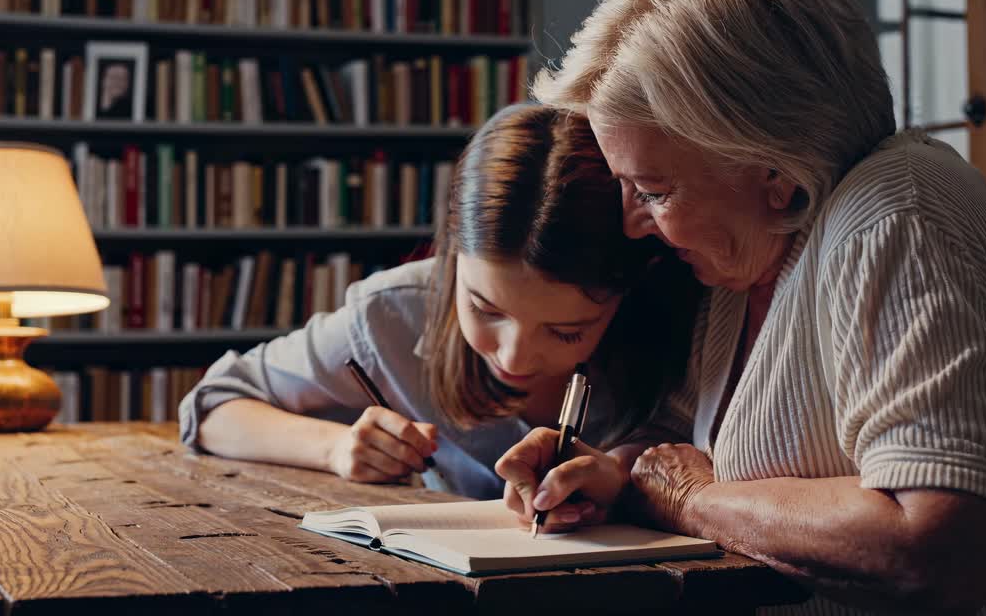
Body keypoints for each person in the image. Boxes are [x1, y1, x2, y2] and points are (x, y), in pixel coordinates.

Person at [498, 0, 986, 613]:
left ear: (775, 173)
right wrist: (609, 471)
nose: (635, 222)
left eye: (655, 191)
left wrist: (696, 502)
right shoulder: (749, 257)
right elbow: (682, 449)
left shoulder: (896, 212)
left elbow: (941, 544)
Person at [178, 103, 701, 500]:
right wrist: (334, 448)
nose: (514, 357)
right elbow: (212, 405)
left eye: (567, 331)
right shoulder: (394, 312)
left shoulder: (679, 320)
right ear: (451, 256)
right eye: (486, 309)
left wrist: (623, 476)